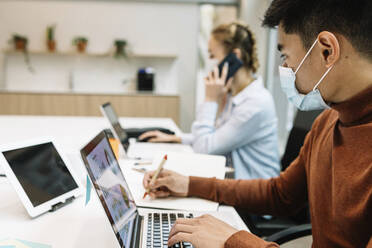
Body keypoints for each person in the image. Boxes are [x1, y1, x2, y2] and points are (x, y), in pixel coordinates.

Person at [142, 0, 372, 247]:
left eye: (286, 56)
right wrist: (188, 184)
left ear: (327, 51)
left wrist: (233, 241)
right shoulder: (328, 121)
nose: (286, 67)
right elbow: (279, 194)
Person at [140, 22, 280, 180]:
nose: (210, 63)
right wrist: (177, 139)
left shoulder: (256, 103)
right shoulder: (236, 94)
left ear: (235, 56)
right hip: (236, 181)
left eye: (213, 56)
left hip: (256, 194)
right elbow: (216, 137)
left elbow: (204, 148)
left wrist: (210, 99)